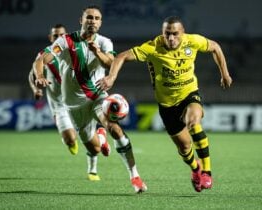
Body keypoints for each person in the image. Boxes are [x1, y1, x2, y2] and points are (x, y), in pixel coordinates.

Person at [98, 16, 232, 192]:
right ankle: (195, 169)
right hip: (167, 105)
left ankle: (207, 171)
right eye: (167, 34)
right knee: (184, 148)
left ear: (182, 33)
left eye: (175, 34)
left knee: (194, 122)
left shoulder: (192, 41)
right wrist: (112, 76)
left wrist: (225, 73)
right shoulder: (153, 47)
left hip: (189, 94)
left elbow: (215, 47)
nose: (170, 38)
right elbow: (122, 56)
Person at [33, 5, 147, 193]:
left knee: (115, 129)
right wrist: (39, 75)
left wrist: (97, 52)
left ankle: (134, 176)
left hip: (97, 96)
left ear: (100, 23)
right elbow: (41, 59)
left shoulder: (104, 42)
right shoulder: (65, 41)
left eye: (96, 18)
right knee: (94, 149)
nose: (92, 21)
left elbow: (111, 63)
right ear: (81, 20)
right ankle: (100, 137)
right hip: (74, 105)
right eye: (89, 18)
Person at [29, 23, 109, 181]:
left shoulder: (73, 50)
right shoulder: (47, 54)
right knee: (70, 139)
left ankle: (93, 167)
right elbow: (33, 71)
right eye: (55, 36)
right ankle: (94, 139)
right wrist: (36, 87)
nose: (58, 38)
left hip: (77, 100)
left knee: (93, 145)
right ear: (50, 38)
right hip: (59, 106)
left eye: (61, 35)